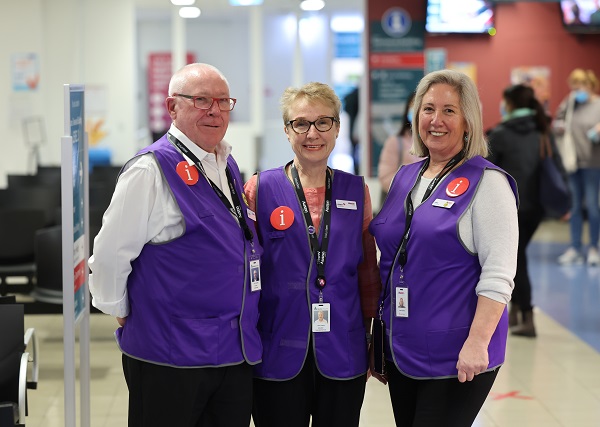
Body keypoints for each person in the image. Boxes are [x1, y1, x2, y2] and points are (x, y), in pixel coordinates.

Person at [89, 63, 262, 427]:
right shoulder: (149, 170)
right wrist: (120, 308)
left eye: (223, 101)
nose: (214, 110)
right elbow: (109, 256)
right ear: (172, 108)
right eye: (201, 100)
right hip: (169, 359)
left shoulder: (224, 162)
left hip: (231, 356)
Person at [369, 69, 518, 427]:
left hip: (457, 354)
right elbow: (392, 257)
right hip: (402, 345)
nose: (436, 120)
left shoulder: (488, 183)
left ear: (469, 121)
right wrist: (379, 337)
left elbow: (499, 274)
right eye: (428, 109)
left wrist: (477, 343)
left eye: (449, 111)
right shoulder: (407, 176)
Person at [244, 82, 381, 427]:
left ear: (337, 128)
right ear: (287, 131)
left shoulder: (356, 191)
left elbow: (367, 272)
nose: (312, 133)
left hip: (343, 348)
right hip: (276, 347)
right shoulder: (260, 189)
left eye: (323, 122)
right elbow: (245, 273)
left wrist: (369, 337)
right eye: (301, 123)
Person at [488, 84, 561, 338]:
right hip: (536, 209)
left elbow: (486, 172)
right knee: (516, 257)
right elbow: (559, 166)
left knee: (516, 261)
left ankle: (527, 316)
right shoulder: (543, 132)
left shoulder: (500, 133)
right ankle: (516, 312)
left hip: (510, 207)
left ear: (509, 104)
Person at [553, 69, 600, 266]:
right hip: (573, 164)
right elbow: (557, 122)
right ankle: (575, 248)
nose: (575, 91)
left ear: (589, 86)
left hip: (593, 164)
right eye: (573, 87)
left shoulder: (598, 105)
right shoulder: (570, 102)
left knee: (592, 207)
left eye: (579, 87)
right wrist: (559, 127)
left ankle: (594, 248)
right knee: (574, 208)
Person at [378, 91, 423, 195]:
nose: (416, 112)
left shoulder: (435, 143)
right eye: (413, 107)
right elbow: (385, 177)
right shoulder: (395, 142)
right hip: (403, 202)